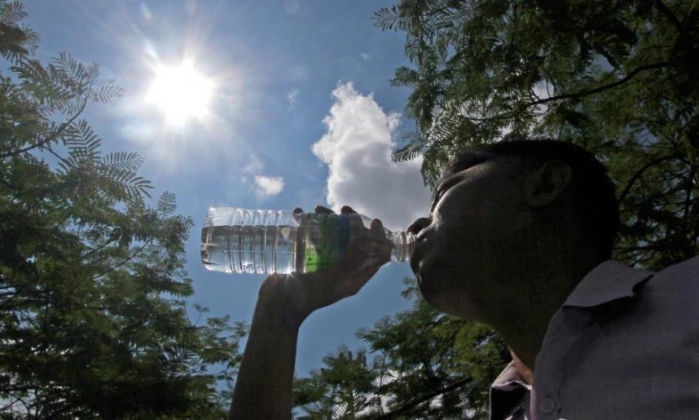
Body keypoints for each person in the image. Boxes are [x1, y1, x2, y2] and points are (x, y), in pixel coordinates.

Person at [228, 138, 699, 420]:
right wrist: (280, 309)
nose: (413, 227)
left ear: (544, 185)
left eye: (444, 195)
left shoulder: (686, 301)